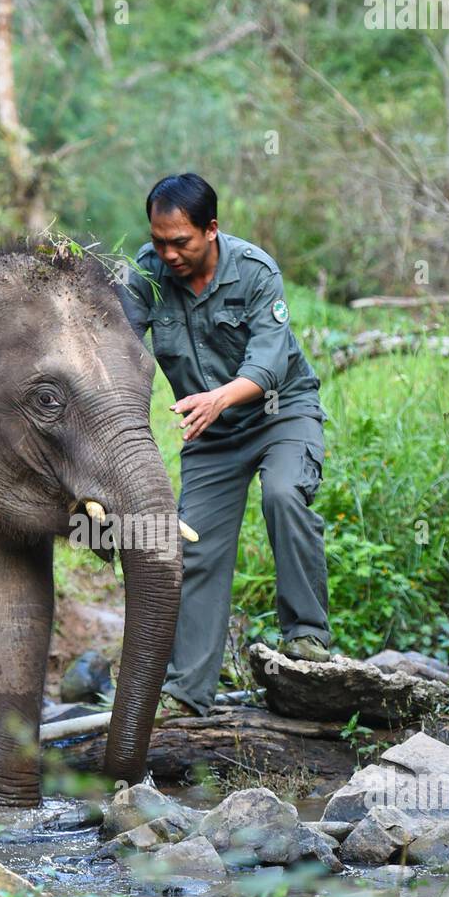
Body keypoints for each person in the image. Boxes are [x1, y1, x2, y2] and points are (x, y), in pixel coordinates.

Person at [121, 172, 332, 717]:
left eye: (180, 242)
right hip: (211, 437)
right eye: (159, 240)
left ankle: (306, 640)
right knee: (195, 548)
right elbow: (113, 341)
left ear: (211, 229)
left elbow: (268, 361)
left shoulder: (256, 272)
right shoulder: (146, 274)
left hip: (281, 413)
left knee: (284, 495)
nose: (168, 253)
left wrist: (218, 398)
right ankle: (188, 692)